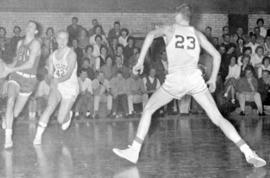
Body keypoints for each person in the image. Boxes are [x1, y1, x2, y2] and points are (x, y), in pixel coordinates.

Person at [112, 4, 266, 168]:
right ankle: (248, 151)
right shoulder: (197, 34)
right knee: (218, 119)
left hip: (176, 79)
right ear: (189, 18)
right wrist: (213, 79)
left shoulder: (170, 28)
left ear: (177, 15)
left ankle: (134, 150)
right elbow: (216, 55)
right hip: (194, 79)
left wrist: (140, 61)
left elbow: (150, 35)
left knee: (149, 109)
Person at [33, 30, 79, 145]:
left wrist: (55, 80)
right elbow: (49, 75)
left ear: (68, 40)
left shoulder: (71, 54)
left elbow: (68, 75)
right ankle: (37, 136)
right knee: (50, 107)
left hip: (70, 87)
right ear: (56, 39)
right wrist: (50, 81)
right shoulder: (52, 56)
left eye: (65, 39)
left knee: (60, 120)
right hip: (58, 86)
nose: (62, 41)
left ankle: (68, 114)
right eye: (60, 38)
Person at [1, 20, 42, 149]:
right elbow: (16, 62)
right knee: (10, 101)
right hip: (16, 77)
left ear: (35, 31)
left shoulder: (36, 43)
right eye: (28, 25)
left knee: (15, 113)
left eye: (32, 26)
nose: (28, 27)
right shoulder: (19, 43)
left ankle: (5, 118)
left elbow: (30, 64)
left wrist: (9, 70)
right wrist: (6, 68)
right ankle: (8, 138)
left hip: (29, 80)